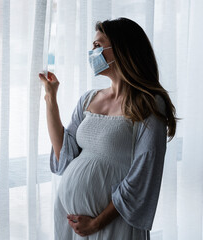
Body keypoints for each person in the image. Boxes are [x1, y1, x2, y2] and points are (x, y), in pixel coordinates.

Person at [38, 17, 178, 240]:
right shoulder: (88, 99)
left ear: (122, 49)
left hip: (113, 223)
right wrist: (50, 97)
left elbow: (144, 175)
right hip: (70, 221)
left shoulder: (149, 104)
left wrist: (96, 223)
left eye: (98, 45)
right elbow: (63, 154)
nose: (92, 52)